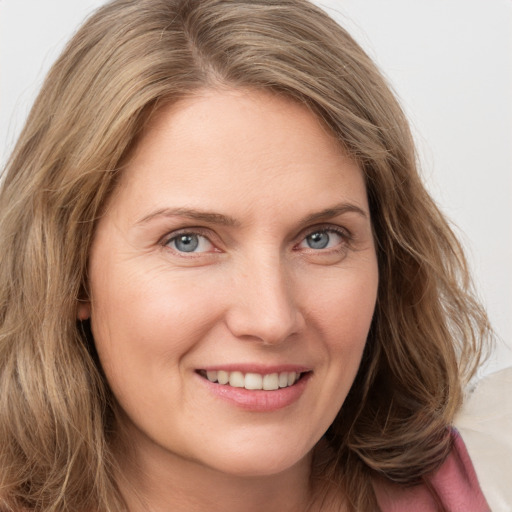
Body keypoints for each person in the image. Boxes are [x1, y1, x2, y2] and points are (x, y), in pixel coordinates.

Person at [0, 0, 497, 510]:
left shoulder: (465, 487)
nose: (272, 319)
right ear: (70, 271)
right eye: (188, 241)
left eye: (321, 238)